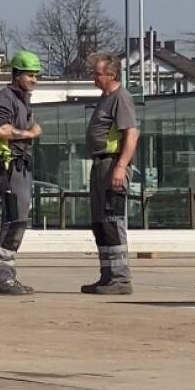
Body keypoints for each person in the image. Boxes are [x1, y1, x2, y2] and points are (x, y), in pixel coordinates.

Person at [82, 54, 140, 295]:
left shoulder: (121, 98)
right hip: (100, 165)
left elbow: (131, 133)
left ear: (111, 75)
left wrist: (120, 166)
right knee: (100, 222)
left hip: (112, 164)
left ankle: (120, 279)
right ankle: (107, 276)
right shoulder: (105, 98)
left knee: (113, 220)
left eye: (98, 74)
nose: (94, 77)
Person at [0, 50, 43, 295]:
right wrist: (28, 134)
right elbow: (2, 130)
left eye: (36, 76)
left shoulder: (21, 100)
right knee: (14, 220)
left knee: (18, 218)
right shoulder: (4, 99)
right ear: (17, 74)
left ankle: (5, 275)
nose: (34, 80)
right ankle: (2, 277)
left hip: (19, 164)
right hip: (8, 165)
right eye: (30, 75)